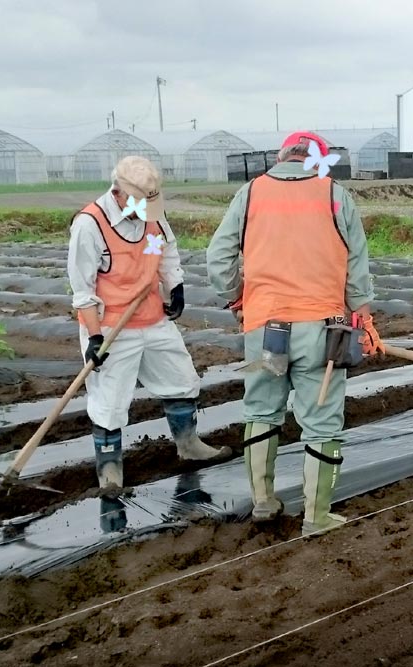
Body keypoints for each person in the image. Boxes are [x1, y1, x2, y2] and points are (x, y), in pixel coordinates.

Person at [206, 131, 382, 537]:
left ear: (281, 157)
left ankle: (264, 502)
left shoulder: (250, 194)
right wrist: (365, 320)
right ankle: (317, 517)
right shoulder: (335, 195)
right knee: (322, 423)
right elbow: (357, 268)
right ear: (316, 160)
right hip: (321, 331)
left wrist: (237, 299)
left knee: (261, 411)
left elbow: (218, 258)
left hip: (265, 329)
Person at [68, 156, 231, 491]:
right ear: (119, 194)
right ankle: (110, 472)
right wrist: (95, 337)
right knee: (109, 404)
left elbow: (164, 250)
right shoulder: (90, 226)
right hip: (113, 327)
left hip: (153, 318)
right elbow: (82, 291)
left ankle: (188, 445)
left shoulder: (153, 219)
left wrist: (176, 286)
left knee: (182, 381)